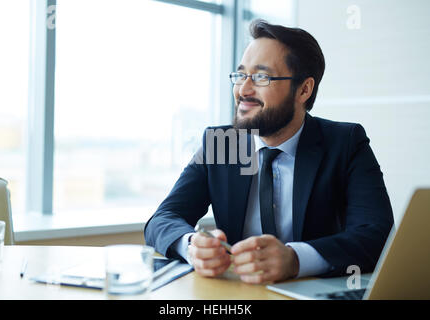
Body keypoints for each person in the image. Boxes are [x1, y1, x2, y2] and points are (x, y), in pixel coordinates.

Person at [144, 20, 394, 284]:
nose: (243, 90)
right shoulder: (222, 143)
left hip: (313, 290)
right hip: (239, 295)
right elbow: (163, 219)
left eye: (262, 77)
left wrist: (295, 260)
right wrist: (192, 245)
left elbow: (377, 235)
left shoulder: (345, 143)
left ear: (304, 90)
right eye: (240, 76)